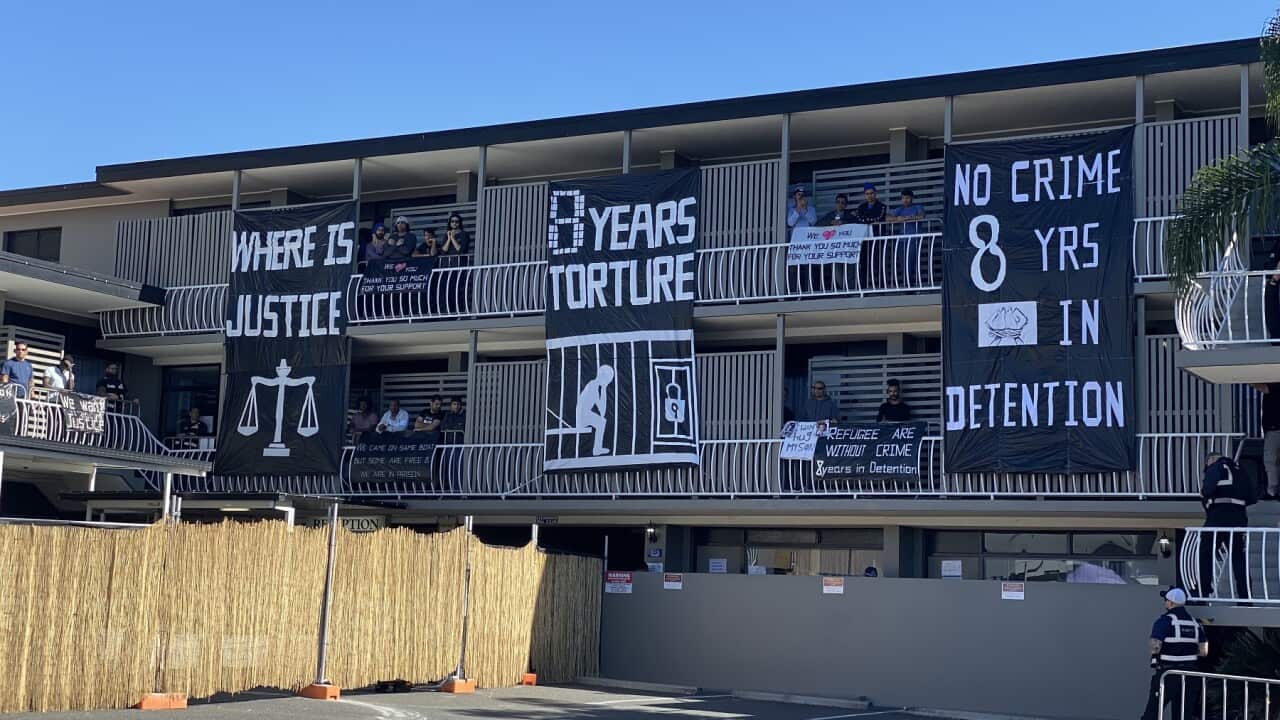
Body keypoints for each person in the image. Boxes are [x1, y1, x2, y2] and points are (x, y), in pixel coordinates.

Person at [1140, 587, 1207, 720]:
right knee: (1183, 715)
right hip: (1190, 676)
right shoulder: (1195, 624)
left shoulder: (1164, 621)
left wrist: (1157, 654)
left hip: (1168, 675)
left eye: (1166, 600)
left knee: (1152, 713)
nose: (1165, 603)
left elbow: (1155, 647)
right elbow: (1204, 651)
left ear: (1171, 603)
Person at [1198, 451, 1253, 601]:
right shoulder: (1240, 470)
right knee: (1238, 557)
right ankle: (1245, 595)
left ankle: (1203, 591)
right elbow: (1252, 496)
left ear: (1210, 460)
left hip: (1219, 515)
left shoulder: (1216, 467)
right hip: (1239, 516)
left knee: (1206, 552)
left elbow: (1207, 490)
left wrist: (1207, 498)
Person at [1253, 383, 1280, 499]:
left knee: (1270, 461)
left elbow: (1263, 387)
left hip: (1274, 429)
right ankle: (1273, 490)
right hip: (1273, 428)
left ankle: (1272, 491)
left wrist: (1245, 376)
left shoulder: (1275, 383)